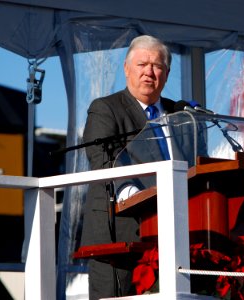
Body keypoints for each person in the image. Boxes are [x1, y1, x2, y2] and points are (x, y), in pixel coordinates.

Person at [81, 35, 177, 299]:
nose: (149, 71)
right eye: (142, 64)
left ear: (167, 73)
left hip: (173, 233)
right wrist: (130, 192)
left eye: (157, 66)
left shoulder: (181, 115)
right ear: (126, 68)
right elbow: (101, 157)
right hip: (119, 232)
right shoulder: (106, 108)